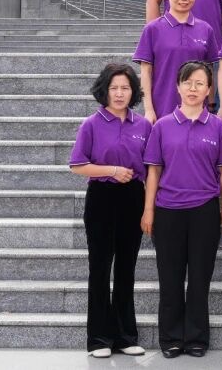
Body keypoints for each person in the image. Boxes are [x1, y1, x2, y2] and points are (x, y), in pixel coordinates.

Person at [141, 60, 222, 359]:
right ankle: (170, 338)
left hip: (204, 210)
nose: (193, 88)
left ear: (209, 90)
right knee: (170, 278)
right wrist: (148, 210)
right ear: (177, 87)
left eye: (199, 83)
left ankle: (196, 338)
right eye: (187, 82)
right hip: (168, 210)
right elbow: (154, 171)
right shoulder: (162, 126)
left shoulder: (218, 127)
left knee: (200, 279)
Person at [70, 63, 151, 359]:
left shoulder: (143, 126)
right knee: (100, 269)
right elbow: (77, 165)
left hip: (133, 198)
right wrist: (112, 170)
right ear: (104, 91)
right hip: (102, 198)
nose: (119, 93)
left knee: (127, 268)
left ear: (133, 92)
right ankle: (98, 339)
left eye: (125, 88)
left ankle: (126, 337)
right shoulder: (91, 124)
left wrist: (149, 207)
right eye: (114, 88)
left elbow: (151, 168)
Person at [135, 0, 218, 123]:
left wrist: (211, 105)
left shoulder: (206, 29)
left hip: (198, 113)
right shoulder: (152, 29)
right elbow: (146, 71)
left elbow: (210, 71)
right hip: (162, 110)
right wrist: (149, 109)